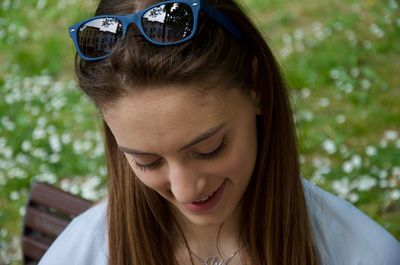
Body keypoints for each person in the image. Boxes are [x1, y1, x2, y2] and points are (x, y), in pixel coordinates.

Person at [39, 0, 400, 264]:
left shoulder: (363, 254)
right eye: (146, 162)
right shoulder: (84, 251)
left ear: (256, 87)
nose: (184, 190)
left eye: (210, 148)